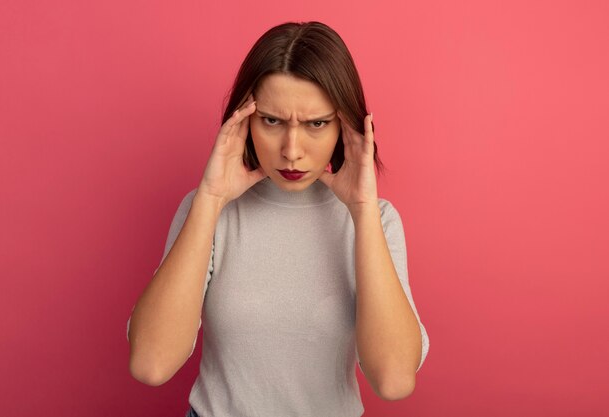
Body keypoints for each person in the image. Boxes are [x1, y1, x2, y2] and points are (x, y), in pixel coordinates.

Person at [127, 21, 429, 417]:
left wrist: (362, 210)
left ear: (346, 127)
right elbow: (151, 363)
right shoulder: (209, 211)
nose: (291, 150)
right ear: (245, 120)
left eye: (316, 124)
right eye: (271, 121)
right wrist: (211, 198)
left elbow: (393, 379)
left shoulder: (377, 220)